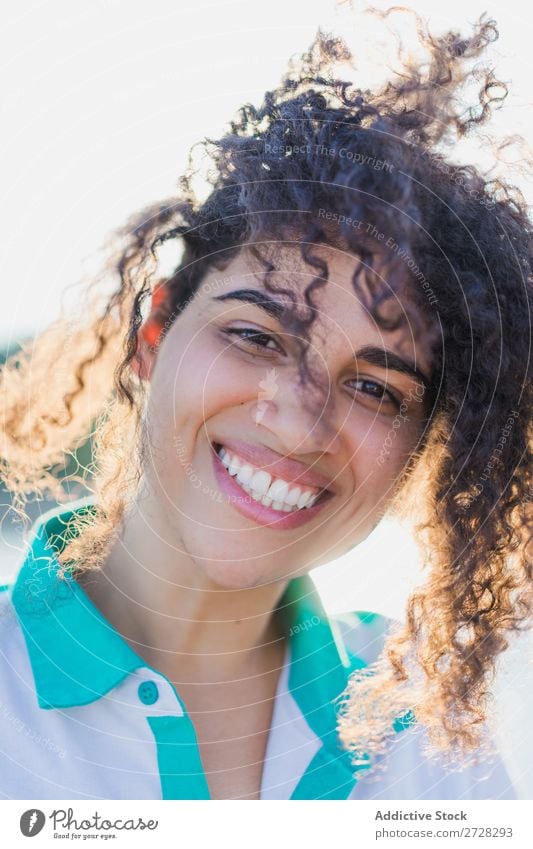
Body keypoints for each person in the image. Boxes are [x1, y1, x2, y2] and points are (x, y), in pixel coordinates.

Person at [0, 10, 530, 800]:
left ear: (417, 453)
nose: (298, 415)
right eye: (256, 335)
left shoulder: (439, 741)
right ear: (152, 334)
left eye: (374, 387)